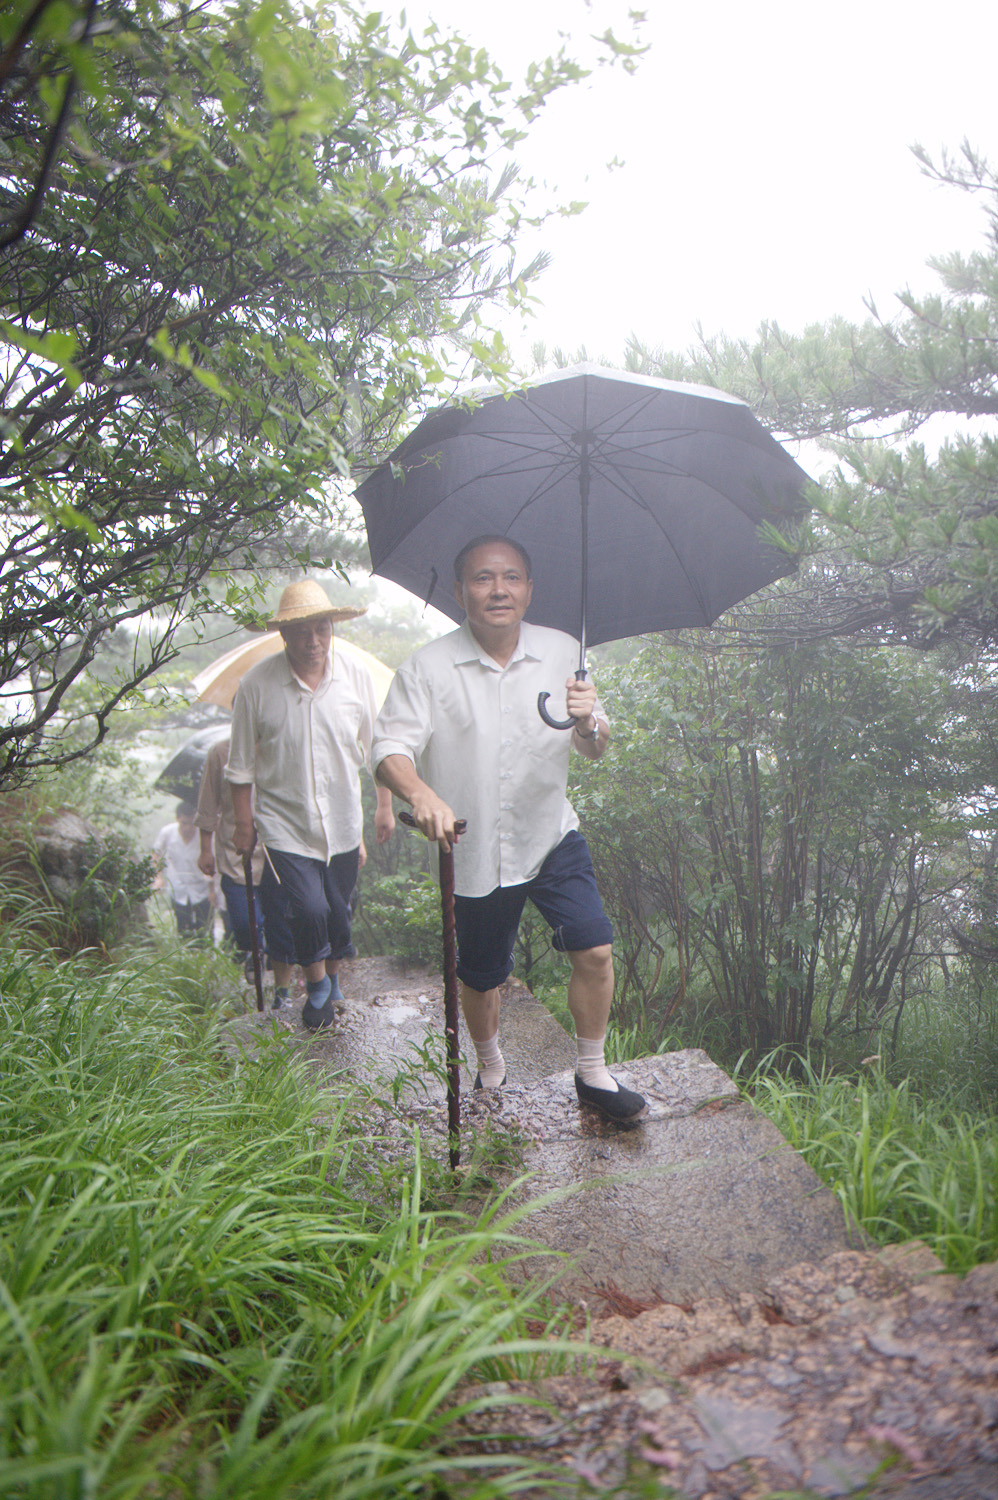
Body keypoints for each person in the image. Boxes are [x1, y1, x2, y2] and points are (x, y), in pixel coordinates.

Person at [371, 535, 646, 1121]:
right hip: (471, 847)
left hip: (550, 835)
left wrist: (589, 720)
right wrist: (420, 794)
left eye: (512, 577)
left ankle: (593, 1073)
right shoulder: (428, 666)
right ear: (458, 590)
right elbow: (388, 748)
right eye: (483, 578)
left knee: (595, 946)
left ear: (529, 588)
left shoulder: (563, 649)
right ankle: (491, 1060)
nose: (499, 590)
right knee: (482, 975)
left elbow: (596, 748)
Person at [227, 580, 396, 1031]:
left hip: (342, 818)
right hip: (284, 821)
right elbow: (239, 765)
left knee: (337, 908)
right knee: (309, 908)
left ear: (332, 629)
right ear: (282, 635)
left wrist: (384, 804)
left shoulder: (354, 676)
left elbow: (376, 748)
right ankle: (316, 986)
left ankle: (334, 978)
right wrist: (244, 825)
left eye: (321, 629)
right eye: (301, 631)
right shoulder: (256, 685)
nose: (313, 641)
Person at [195, 735, 297, 1007]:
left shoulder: (281, 743)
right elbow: (208, 804)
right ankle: (254, 951)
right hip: (236, 852)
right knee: (243, 922)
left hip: (279, 848)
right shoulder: (220, 752)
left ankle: (282, 992)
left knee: (281, 923)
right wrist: (205, 849)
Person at [152, 800, 214, 936]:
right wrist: (159, 877)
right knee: (183, 928)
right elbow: (156, 854)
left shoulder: (204, 835)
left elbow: (213, 862)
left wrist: (213, 891)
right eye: (184, 823)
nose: (188, 828)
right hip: (178, 887)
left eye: (192, 824)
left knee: (204, 929)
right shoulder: (167, 833)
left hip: (201, 888)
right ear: (177, 819)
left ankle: (205, 954)